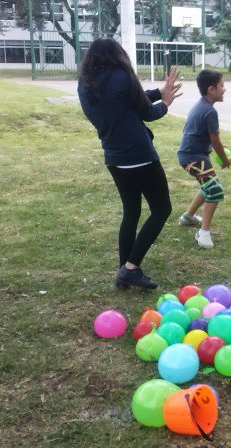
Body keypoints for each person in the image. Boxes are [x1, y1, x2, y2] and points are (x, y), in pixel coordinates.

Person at [78, 37, 182, 289]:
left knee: (132, 211)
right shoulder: (122, 75)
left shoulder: (86, 83)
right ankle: (132, 267)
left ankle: (123, 270)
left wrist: (159, 91)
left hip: (114, 159)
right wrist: (166, 102)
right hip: (140, 156)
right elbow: (147, 111)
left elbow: (129, 101)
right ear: (118, 55)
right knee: (161, 209)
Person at [177, 69, 230, 249]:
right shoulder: (209, 112)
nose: (224, 89)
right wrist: (224, 159)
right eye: (222, 85)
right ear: (211, 89)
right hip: (192, 157)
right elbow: (215, 140)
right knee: (215, 190)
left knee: (208, 185)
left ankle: (188, 217)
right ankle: (203, 233)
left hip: (193, 155)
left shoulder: (202, 105)